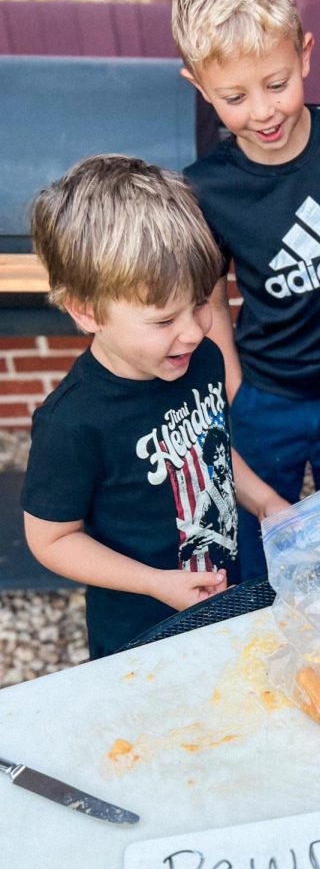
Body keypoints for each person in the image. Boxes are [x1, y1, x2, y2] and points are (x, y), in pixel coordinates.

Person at [171, 0, 320, 576]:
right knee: (256, 543)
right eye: (234, 97)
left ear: (305, 55)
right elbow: (210, 295)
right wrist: (235, 387)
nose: (263, 112)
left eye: (276, 84)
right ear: (199, 86)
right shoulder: (207, 188)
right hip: (265, 393)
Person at [21, 155, 289, 659]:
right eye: (164, 320)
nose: (194, 330)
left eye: (200, 303)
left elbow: (211, 449)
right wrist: (153, 582)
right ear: (87, 311)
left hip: (219, 598)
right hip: (140, 631)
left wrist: (267, 503)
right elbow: (51, 540)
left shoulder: (199, 359)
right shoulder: (72, 423)